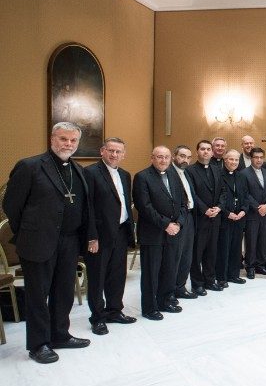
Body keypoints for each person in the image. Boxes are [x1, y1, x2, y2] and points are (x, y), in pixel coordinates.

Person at [3, 122, 95, 363]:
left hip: (69, 241)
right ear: (52, 139)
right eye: (63, 139)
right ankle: (39, 344)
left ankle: (60, 335)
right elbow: (11, 205)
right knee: (37, 295)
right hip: (38, 241)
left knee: (63, 292)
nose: (68, 144)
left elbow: (84, 208)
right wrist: (28, 232)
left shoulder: (78, 170)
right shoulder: (30, 166)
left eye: (73, 140)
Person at [83, 137, 137, 336]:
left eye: (119, 152)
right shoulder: (90, 173)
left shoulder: (125, 175)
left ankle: (115, 310)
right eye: (111, 151)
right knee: (97, 278)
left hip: (121, 231)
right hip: (100, 236)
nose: (115, 155)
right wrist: (91, 237)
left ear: (124, 154)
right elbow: (87, 208)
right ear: (102, 151)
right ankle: (97, 317)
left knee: (117, 275)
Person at [133, 146, 187, 321]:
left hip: (174, 232)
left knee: (169, 268)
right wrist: (166, 224)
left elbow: (182, 203)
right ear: (152, 158)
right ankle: (149, 308)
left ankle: (165, 300)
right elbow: (144, 206)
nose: (163, 160)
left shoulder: (174, 175)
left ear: (171, 159)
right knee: (151, 272)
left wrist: (178, 222)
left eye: (166, 157)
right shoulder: (142, 177)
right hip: (153, 233)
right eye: (159, 157)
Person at [186, 141, 225, 289]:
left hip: (215, 217)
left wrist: (219, 207)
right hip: (199, 218)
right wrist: (204, 209)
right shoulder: (190, 170)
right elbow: (191, 193)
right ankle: (197, 284)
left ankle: (209, 281)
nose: (206, 152)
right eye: (203, 149)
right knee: (197, 253)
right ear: (197, 152)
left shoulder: (217, 169)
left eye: (208, 149)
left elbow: (223, 191)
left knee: (212, 251)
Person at [216, 150, 252, 282]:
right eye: (231, 159)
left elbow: (246, 196)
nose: (234, 162)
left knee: (236, 248)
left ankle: (233, 275)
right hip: (225, 218)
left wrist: (244, 210)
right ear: (225, 160)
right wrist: (227, 213)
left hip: (239, 218)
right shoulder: (219, 175)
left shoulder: (241, 176)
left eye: (236, 160)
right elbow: (217, 198)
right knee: (223, 248)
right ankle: (221, 277)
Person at [171, 145, 200, 297]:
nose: (185, 160)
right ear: (174, 155)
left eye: (188, 157)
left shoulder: (186, 173)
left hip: (189, 217)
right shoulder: (169, 173)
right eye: (182, 156)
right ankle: (171, 289)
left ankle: (180, 287)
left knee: (186, 255)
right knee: (175, 256)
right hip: (177, 220)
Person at [242, 147, 266, 277]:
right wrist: (258, 207)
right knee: (251, 241)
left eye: (261, 157)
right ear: (251, 158)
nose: (259, 160)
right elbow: (245, 194)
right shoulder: (244, 173)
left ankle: (260, 265)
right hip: (252, 214)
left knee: (263, 241)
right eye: (256, 157)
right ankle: (250, 267)